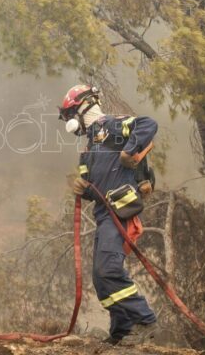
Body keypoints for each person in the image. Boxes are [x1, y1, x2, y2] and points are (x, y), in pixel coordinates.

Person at [59, 84, 157, 345]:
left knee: (108, 269)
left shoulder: (111, 125)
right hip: (103, 215)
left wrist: (128, 151)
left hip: (119, 213)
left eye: (70, 115)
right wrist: (81, 188)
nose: (70, 122)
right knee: (100, 277)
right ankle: (122, 330)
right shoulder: (89, 148)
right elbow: (94, 190)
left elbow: (148, 124)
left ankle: (145, 320)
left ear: (83, 107)